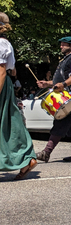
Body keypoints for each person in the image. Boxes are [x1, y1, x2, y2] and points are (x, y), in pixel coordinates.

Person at [35, 36, 71, 163]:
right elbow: (60, 81)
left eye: (64, 45)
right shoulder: (65, 59)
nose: (61, 47)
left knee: (61, 121)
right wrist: (47, 83)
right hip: (66, 94)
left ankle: (46, 152)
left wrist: (63, 85)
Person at [0, 12, 38, 180]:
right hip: (5, 84)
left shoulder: (1, 43)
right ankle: (25, 160)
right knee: (8, 123)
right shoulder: (5, 43)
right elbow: (13, 70)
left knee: (9, 124)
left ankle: (26, 158)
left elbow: (2, 71)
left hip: (0, 85)